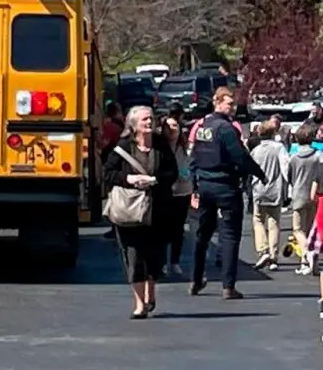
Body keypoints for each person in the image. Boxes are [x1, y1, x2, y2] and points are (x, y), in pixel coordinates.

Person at [189, 87, 266, 299]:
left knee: (202, 234)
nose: (232, 108)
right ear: (218, 102)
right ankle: (228, 286)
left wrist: (195, 185)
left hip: (205, 184)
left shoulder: (203, 126)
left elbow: (194, 157)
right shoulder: (226, 129)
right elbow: (240, 157)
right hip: (225, 186)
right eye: (229, 104)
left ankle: (196, 280)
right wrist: (259, 174)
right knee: (230, 235)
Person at [104, 106, 178, 319]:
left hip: (158, 211)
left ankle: (150, 292)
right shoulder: (124, 146)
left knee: (154, 257)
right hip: (130, 212)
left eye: (151, 118)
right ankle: (139, 304)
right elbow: (109, 173)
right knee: (133, 256)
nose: (149, 122)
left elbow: (171, 173)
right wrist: (129, 179)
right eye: (145, 119)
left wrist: (155, 180)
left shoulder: (161, 145)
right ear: (133, 124)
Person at [288, 124, 323, 275]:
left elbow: (290, 177)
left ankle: (307, 252)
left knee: (298, 229)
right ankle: (309, 260)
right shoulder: (319, 155)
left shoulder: (294, 157)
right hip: (315, 194)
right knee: (312, 228)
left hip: (298, 194)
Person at [248, 123, 289, 272]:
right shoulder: (279, 148)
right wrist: (288, 186)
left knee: (258, 220)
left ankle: (263, 250)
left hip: (259, 190)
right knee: (274, 223)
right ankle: (273, 256)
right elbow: (285, 167)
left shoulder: (256, 151)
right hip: (275, 190)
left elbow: (251, 170)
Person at [160, 114, 195, 279]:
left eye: (175, 126)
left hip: (182, 190)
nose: (172, 129)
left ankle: (174, 261)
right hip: (164, 192)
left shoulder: (184, 146)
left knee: (178, 229)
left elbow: (190, 164)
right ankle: (161, 263)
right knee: (162, 229)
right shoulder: (159, 147)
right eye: (169, 126)